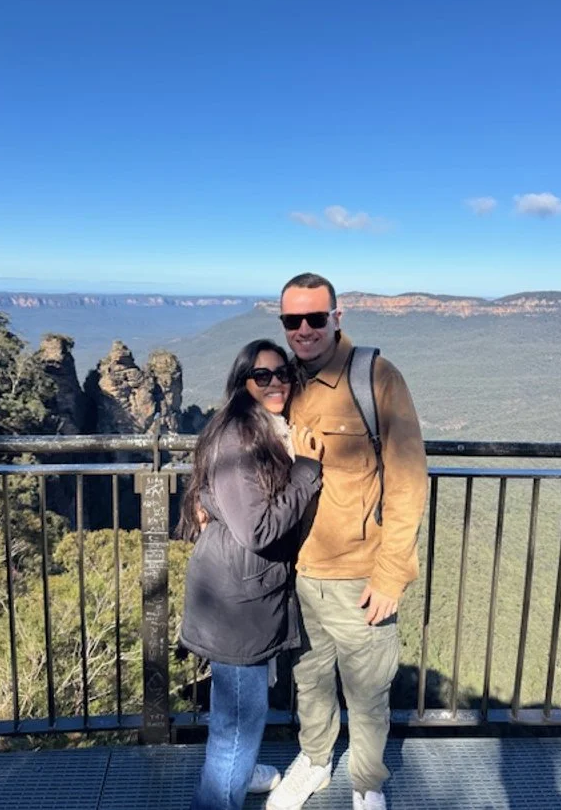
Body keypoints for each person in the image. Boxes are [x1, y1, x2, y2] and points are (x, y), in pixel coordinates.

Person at [266, 273, 427, 810]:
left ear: (338, 317)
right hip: (297, 572)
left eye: (316, 318)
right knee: (309, 682)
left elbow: (407, 480)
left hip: (360, 577)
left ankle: (365, 785)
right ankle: (313, 763)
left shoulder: (376, 377)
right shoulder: (283, 382)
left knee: (368, 694)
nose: (304, 329)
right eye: (293, 320)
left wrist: (392, 572)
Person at [179, 338, 323, 810]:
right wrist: (307, 471)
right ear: (244, 382)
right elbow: (258, 529)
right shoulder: (240, 437)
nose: (277, 382)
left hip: (237, 595)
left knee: (233, 717)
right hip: (236, 604)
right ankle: (224, 788)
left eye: (284, 373)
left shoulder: (260, 428)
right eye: (263, 376)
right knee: (238, 723)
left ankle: (237, 770)